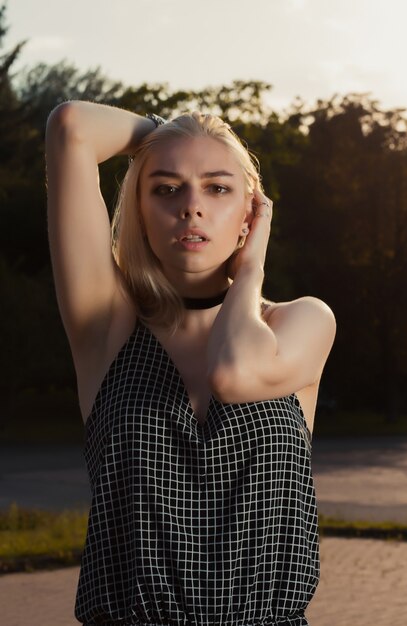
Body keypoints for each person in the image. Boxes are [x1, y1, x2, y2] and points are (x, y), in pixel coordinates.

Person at [45, 101, 336, 626]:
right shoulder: (106, 329)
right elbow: (72, 128)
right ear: (139, 209)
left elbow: (234, 373)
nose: (191, 207)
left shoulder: (302, 324)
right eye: (166, 188)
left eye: (218, 188)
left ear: (252, 212)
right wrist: (172, 134)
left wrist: (250, 271)